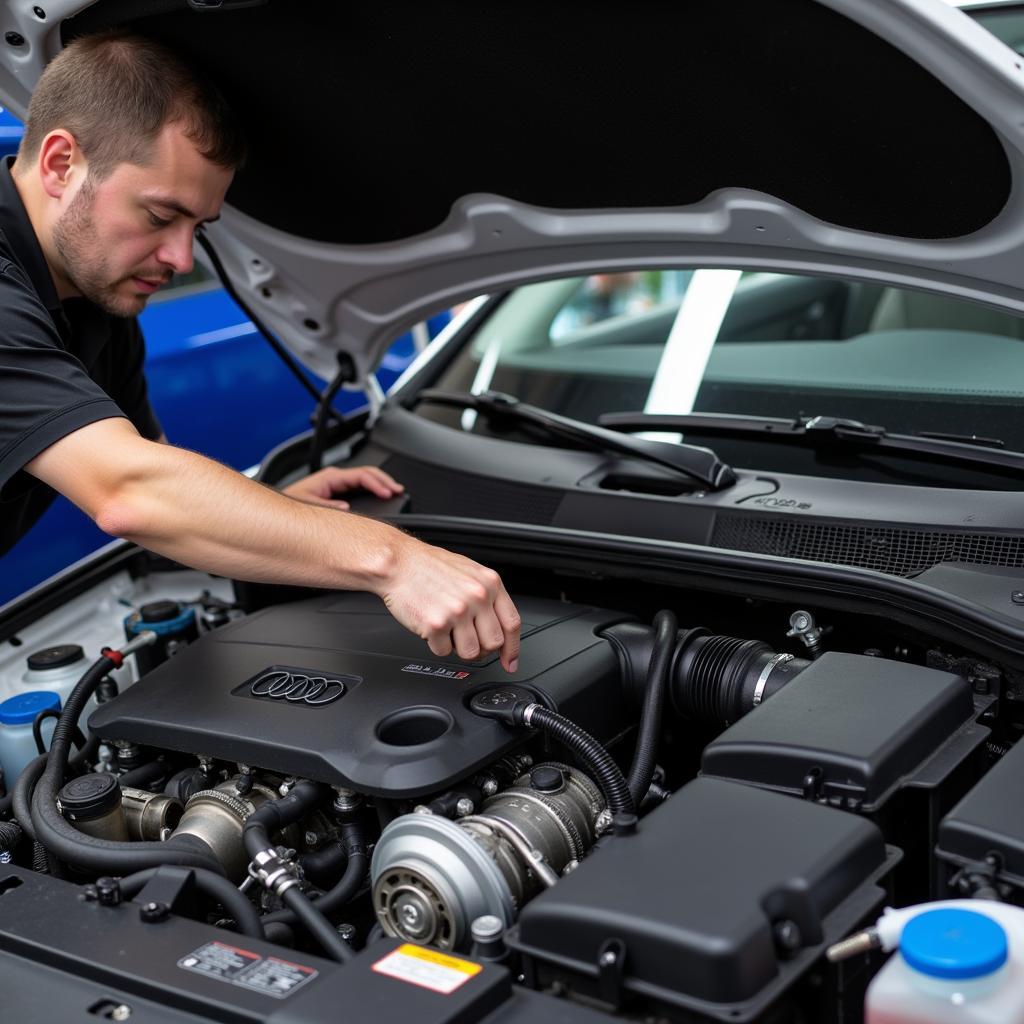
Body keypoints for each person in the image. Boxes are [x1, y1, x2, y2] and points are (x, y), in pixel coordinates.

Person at [0, 31, 520, 672]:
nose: (182, 257)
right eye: (161, 216)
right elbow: (130, 492)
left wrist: (280, 508)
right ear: (59, 164)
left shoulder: (98, 298)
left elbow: (158, 478)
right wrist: (395, 559)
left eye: (198, 228)